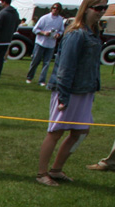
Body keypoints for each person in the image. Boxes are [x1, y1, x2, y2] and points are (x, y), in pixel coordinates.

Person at [35, 0, 104, 186]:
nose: (101, 12)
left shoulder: (94, 32)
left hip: (85, 90)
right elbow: (65, 68)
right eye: (98, 8)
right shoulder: (76, 33)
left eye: (104, 8)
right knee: (55, 132)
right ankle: (42, 173)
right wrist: (63, 97)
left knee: (81, 131)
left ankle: (56, 170)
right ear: (87, 8)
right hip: (68, 90)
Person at [25, 3, 64, 85]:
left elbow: (61, 30)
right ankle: (29, 77)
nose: (55, 10)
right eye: (54, 8)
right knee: (35, 61)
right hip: (41, 42)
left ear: (59, 10)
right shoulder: (45, 18)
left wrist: (58, 34)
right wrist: (43, 33)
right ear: (51, 8)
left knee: (47, 63)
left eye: (57, 8)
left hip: (51, 44)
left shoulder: (60, 19)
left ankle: (42, 80)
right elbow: (35, 29)